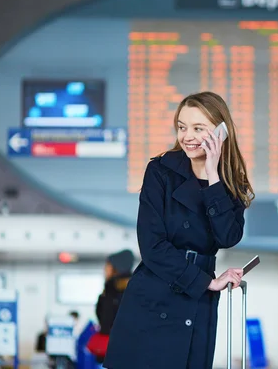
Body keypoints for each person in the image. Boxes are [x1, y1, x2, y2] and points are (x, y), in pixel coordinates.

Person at [103, 91, 254, 369]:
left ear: (221, 132)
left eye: (199, 128)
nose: (188, 136)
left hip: (198, 304)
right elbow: (151, 246)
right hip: (157, 292)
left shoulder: (230, 183)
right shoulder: (161, 171)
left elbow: (228, 236)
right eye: (182, 127)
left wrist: (213, 176)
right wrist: (205, 282)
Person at [89, 249, 135, 363]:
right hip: (123, 347)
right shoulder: (115, 290)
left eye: (108, 265)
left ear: (116, 268)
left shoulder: (116, 292)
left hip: (116, 347)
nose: (105, 269)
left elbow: (106, 318)